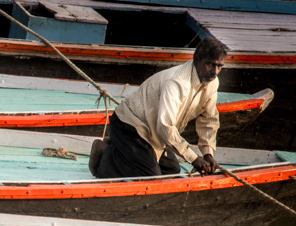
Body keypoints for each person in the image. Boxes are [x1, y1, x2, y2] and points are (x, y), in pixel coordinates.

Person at [90, 37, 227, 179]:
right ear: (197, 60)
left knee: (172, 171)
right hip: (129, 126)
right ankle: (104, 151)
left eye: (219, 66)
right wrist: (193, 158)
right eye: (210, 64)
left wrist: (208, 153)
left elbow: (209, 119)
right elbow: (165, 126)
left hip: (153, 133)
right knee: (150, 177)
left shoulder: (212, 83)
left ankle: (119, 147)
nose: (215, 71)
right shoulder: (177, 83)